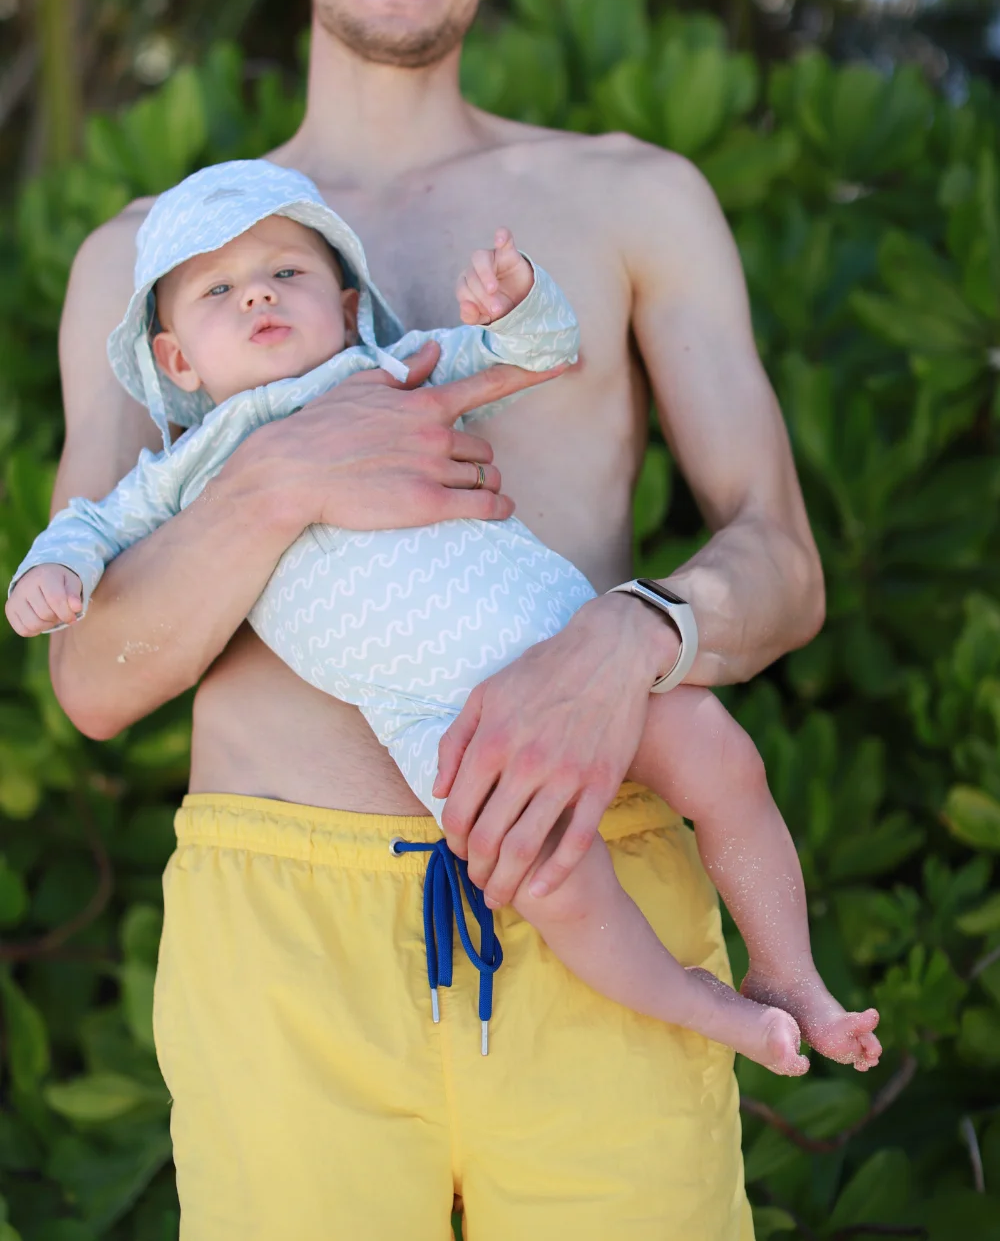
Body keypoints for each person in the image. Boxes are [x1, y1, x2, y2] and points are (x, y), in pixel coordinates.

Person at [46, 0, 829, 1241]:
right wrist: (280, 474)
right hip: (282, 937)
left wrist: (626, 641)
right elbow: (90, 676)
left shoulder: (632, 199)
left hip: (591, 858)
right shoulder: (145, 267)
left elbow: (780, 556)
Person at [8, 157, 881, 1080]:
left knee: (719, 751)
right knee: (552, 875)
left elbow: (533, 353)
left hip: (558, 646)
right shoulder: (189, 469)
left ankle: (789, 973)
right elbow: (92, 526)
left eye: (286, 272)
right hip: (437, 724)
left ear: (348, 308)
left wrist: (517, 304)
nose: (257, 294)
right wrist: (50, 571)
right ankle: (703, 1005)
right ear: (179, 361)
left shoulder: (393, 369)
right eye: (218, 290)